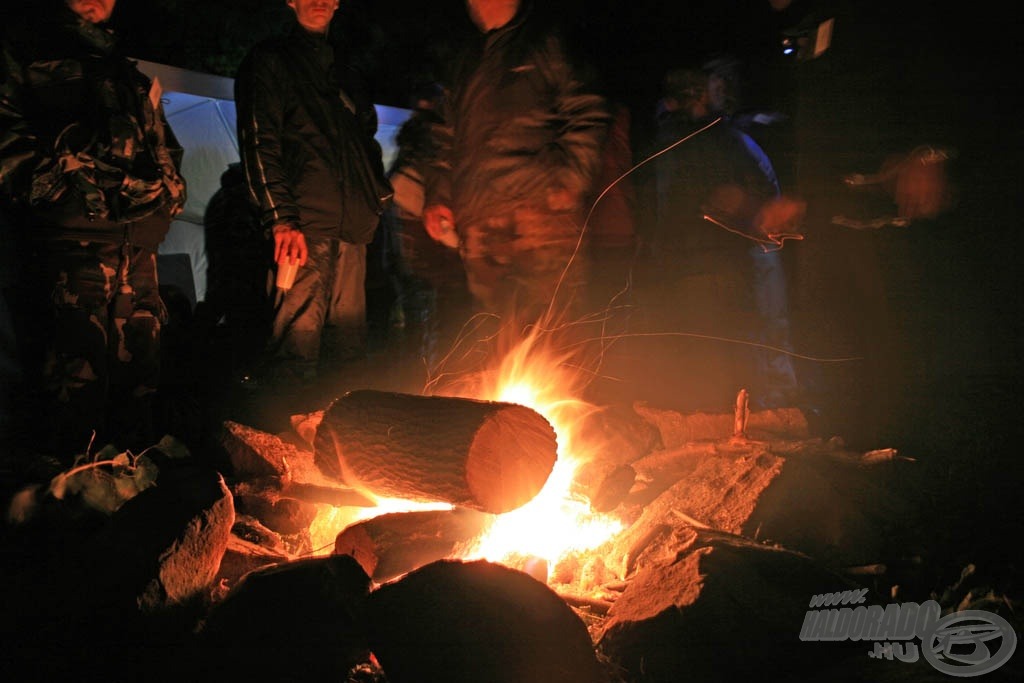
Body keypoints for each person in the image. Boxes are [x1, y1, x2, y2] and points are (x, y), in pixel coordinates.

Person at [0, 0, 187, 463]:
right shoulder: (26, 53)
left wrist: (164, 201)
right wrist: (61, 193)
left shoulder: (125, 72)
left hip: (135, 247)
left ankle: (133, 498)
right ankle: (64, 506)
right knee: (69, 393)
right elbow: (8, 143)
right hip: (70, 249)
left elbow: (163, 146)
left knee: (138, 384)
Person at [420, 0, 611, 330]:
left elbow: (587, 111)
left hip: (539, 221)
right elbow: (445, 134)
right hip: (479, 221)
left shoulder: (546, 41)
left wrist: (566, 183)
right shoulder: (465, 59)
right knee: (493, 333)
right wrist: (438, 195)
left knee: (549, 333)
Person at [235, 0, 391, 389]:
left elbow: (367, 142)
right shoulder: (272, 60)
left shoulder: (347, 73)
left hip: (352, 231)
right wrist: (281, 218)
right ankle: (279, 438)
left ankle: (341, 444)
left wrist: (375, 199)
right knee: (295, 350)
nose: (319, 1)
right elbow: (259, 140)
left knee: (349, 354)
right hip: (302, 228)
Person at [642, 64, 805, 411]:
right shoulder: (716, 140)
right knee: (726, 352)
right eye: (715, 82)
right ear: (699, 90)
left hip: (709, 263)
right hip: (713, 263)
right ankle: (744, 413)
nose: (723, 88)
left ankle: (741, 413)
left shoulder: (705, 139)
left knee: (718, 352)